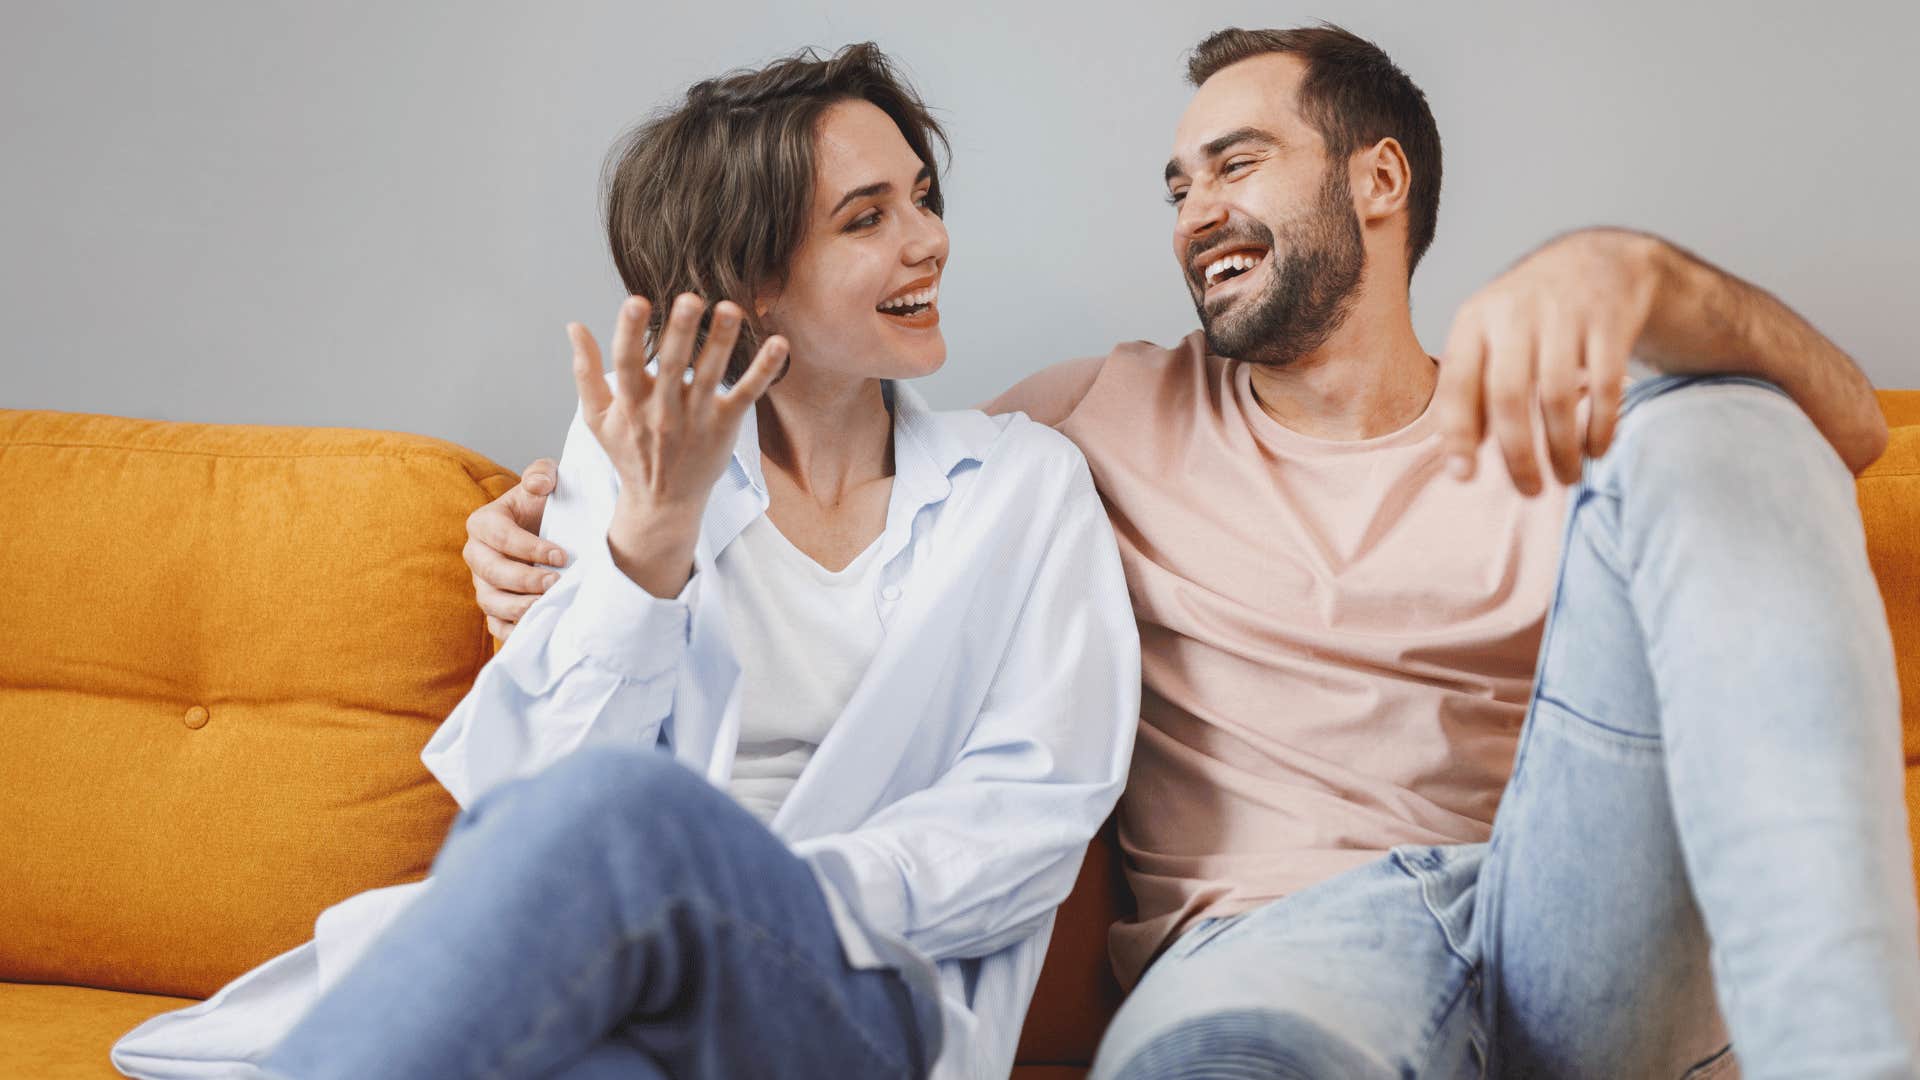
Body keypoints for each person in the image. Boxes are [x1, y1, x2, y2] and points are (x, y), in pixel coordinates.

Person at [471, 23, 1920, 1078]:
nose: (1194, 211)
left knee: (1719, 418)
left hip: (1577, 927)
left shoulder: (1554, 399)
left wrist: (1648, 280)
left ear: (1379, 178)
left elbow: (1842, 437)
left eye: (1236, 162)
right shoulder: (1081, 427)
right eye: (1175, 185)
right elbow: (829, 458)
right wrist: (581, 532)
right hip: (1271, 957)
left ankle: (1847, 1049)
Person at [111, 43, 1139, 1080]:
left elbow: (1029, 816)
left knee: (628, 820)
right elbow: (525, 798)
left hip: (860, 992)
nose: (930, 241)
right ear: (754, 281)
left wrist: (723, 884)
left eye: (921, 197)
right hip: (619, 965)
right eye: (868, 218)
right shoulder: (643, 447)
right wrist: (650, 541)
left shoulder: (1024, 488)